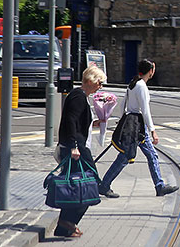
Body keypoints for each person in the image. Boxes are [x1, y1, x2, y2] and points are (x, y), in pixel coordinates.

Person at [98, 59, 179, 199]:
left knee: (148, 155)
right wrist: (153, 130)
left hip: (133, 124)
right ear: (151, 71)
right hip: (137, 126)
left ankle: (159, 186)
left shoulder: (133, 83)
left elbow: (123, 103)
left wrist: (123, 120)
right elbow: (145, 110)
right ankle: (105, 185)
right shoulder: (141, 86)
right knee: (125, 157)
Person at [55, 65, 107, 238]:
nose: (100, 86)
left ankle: (66, 224)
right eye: (99, 82)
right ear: (90, 80)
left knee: (76, 187)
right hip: (76, 149)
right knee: (89, 186)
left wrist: (95, 123)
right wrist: (74, 146)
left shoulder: (80, 96)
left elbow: (77, 122)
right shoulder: (78, 96)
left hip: (77, 147)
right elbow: (70, 121)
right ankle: (67, 222)